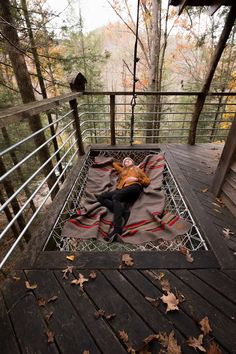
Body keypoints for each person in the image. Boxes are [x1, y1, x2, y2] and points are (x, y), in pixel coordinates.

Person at [96, 157, 150, 242]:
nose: (127, 161)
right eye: (125, 161)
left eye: (129, 160)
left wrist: (136, 179)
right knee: (100, 197)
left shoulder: (138, 169)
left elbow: (147, 181)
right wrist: (124, 165)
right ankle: (124, 212)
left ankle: (117, 229)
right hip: (121, 190)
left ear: (133, 161)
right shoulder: (123, 171)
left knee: (115, 197)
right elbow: (114, 164)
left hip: (134, 187)